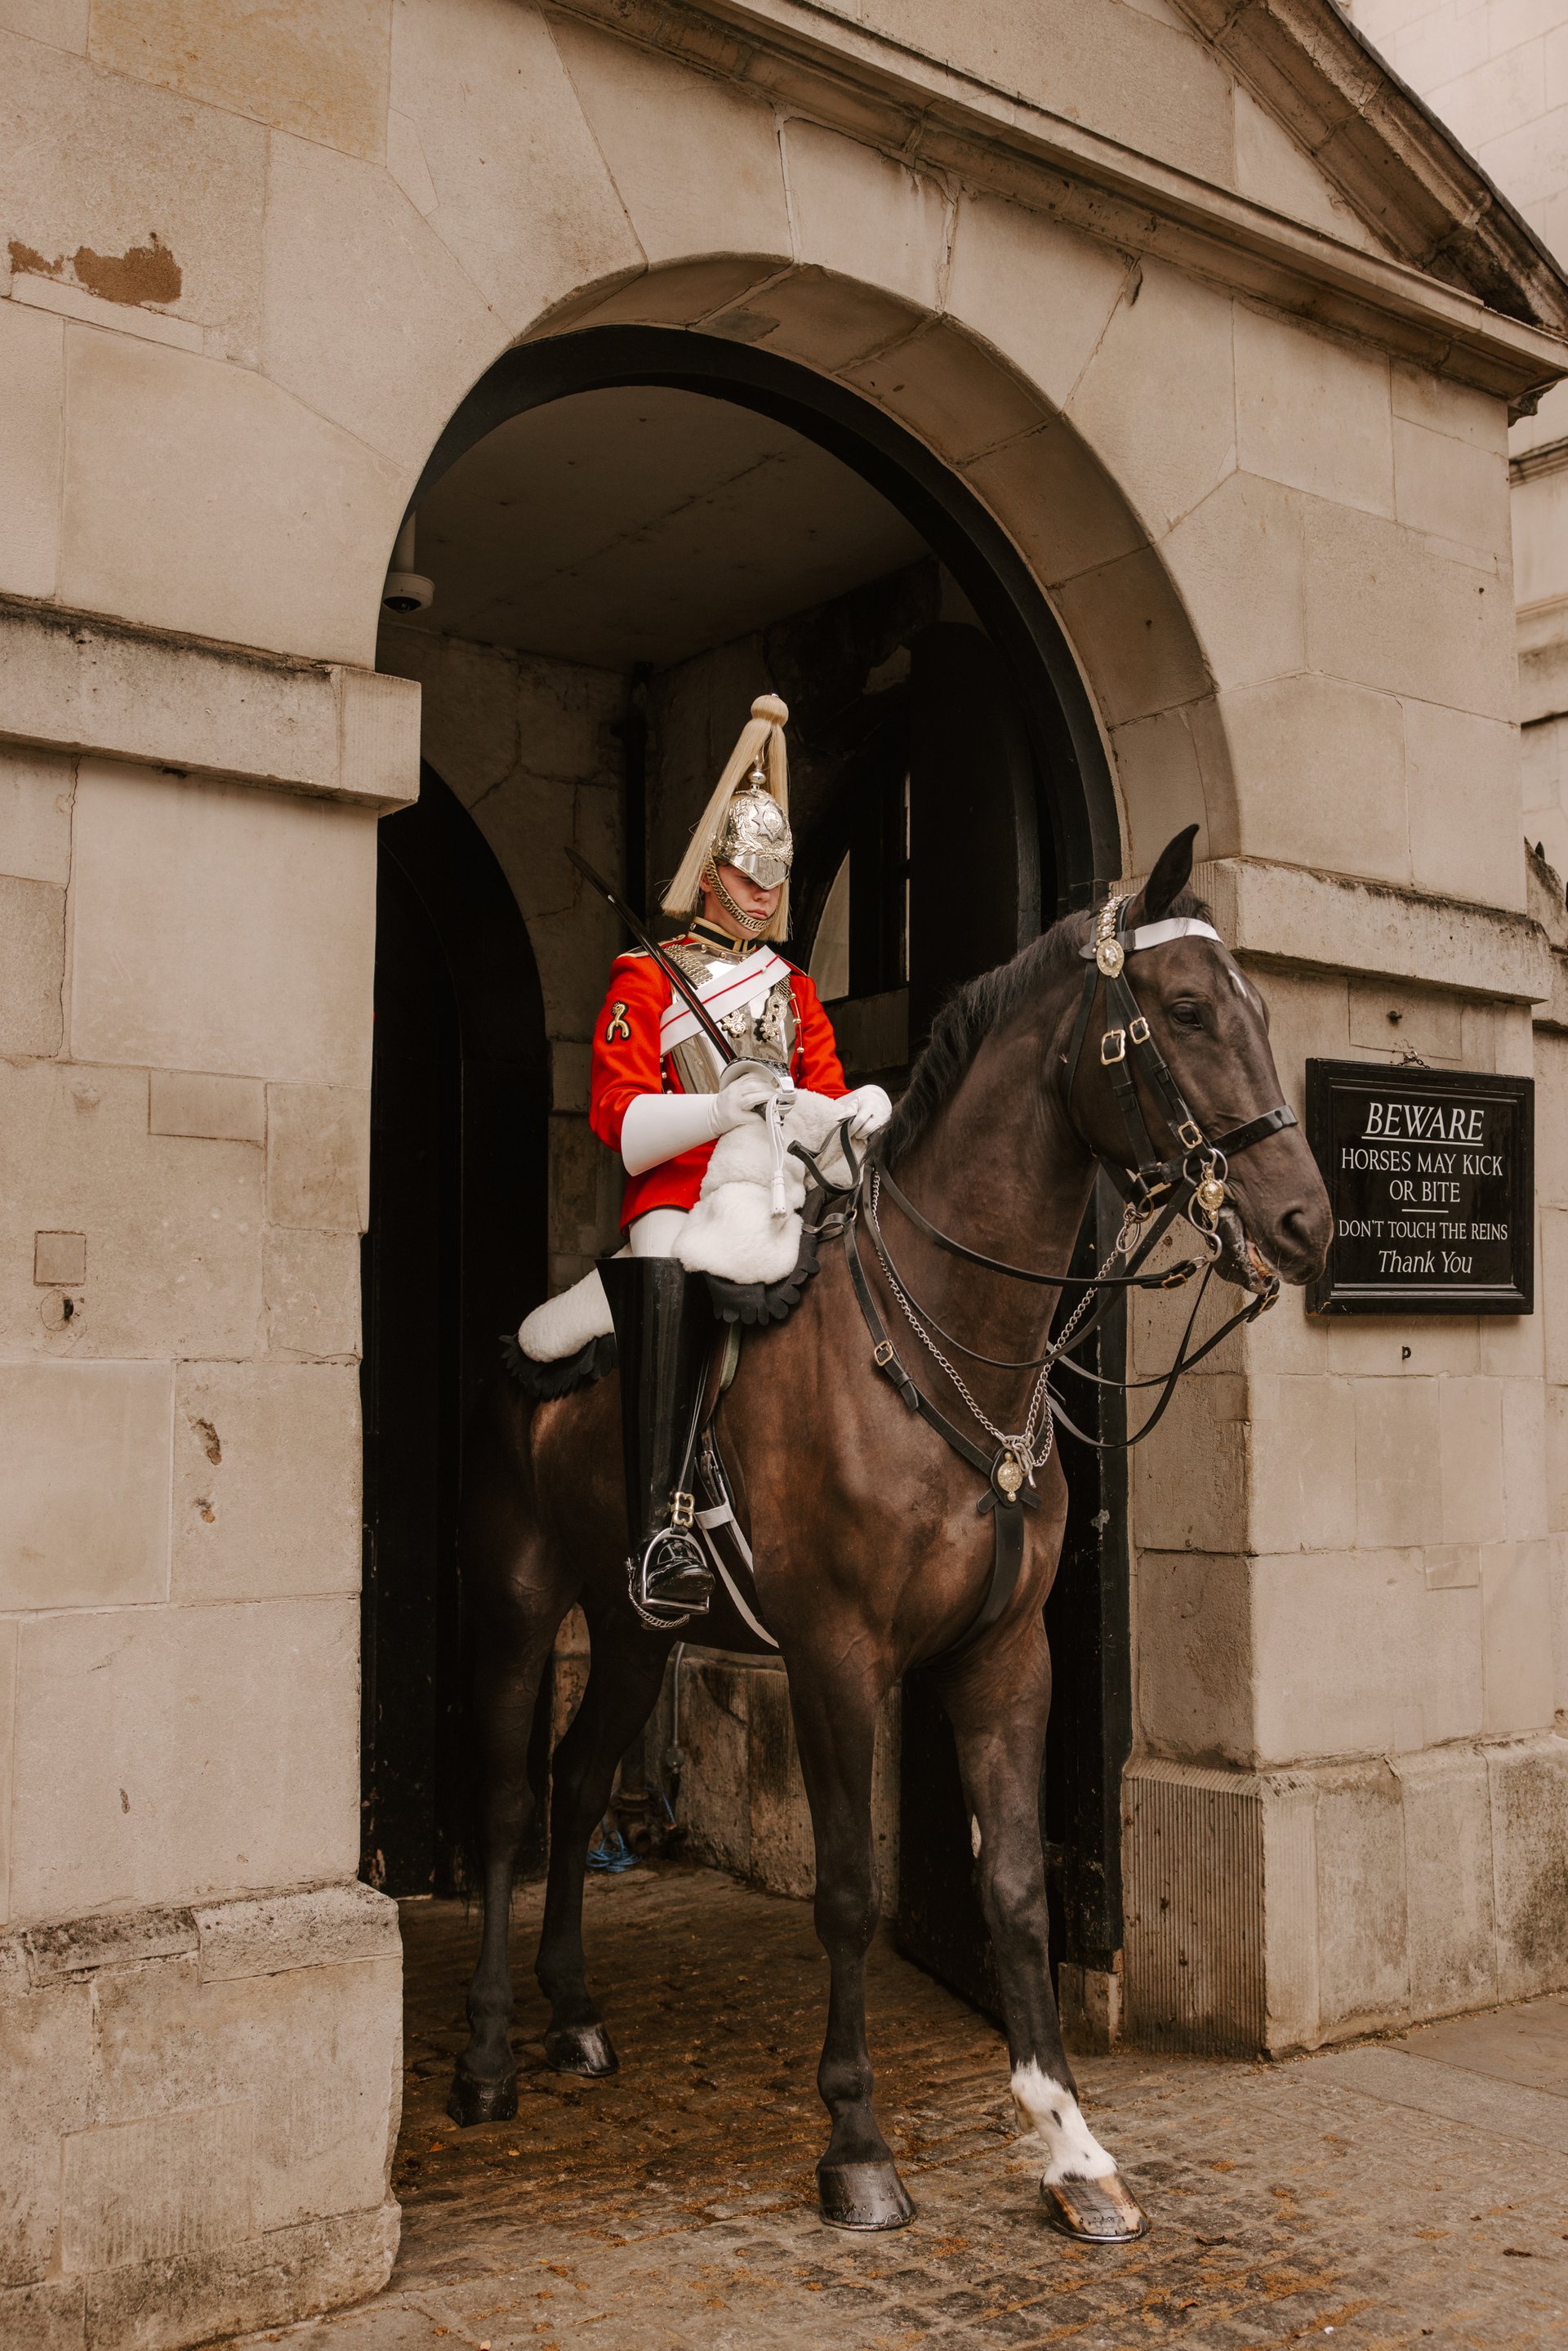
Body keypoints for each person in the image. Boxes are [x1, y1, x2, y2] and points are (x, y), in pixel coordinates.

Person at [590, 692, 891, 1624]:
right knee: (670, 1283)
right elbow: (618, 1118)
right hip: (678, 1196)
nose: (763, 896)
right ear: (713, 870)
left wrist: (856, 1114)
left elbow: (828, 1091)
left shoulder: (794, 989)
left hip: (779, 1184)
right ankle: (662, 1526)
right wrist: (716, 1108)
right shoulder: (645, 975)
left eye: (775, 879)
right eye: (747, 876)